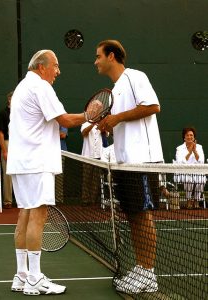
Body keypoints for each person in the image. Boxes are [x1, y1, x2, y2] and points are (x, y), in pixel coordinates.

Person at [7, 49, 90, 296]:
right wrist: (92, 115)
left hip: (22, 164)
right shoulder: (41, 87)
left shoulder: (22, 87)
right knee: (38, 217)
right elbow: (64, 120)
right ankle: (34, 279)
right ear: (42, 67)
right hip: (37, 163)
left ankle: (21, 276)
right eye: (55, 65)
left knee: (25, 214)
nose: (58, 71)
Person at [95, 40, 163, 294]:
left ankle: (148, 273)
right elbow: (124, 122)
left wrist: (117, 118)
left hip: (142, 160)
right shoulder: (115, 90)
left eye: (98, 56)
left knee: (142, 214)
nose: (95, 61)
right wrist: (109, 125)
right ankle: (141, 268)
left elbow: (153, 107)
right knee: (133, 215)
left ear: (111, 56)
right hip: (125, 162)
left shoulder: (135, 77)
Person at [174, 127, 206, 209]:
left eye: (191, 135)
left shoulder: (199, 147)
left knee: (201, 180)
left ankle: (196, 201)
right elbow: (180, 163)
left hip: (197, 172)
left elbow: (201, 161)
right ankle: (188, 201)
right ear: (184, 138)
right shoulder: (179, 148)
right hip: (183, 172)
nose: (189, 137)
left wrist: (195, 151)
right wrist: (190, 151)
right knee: (190, 180)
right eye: (187, 135)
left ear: (194, 137)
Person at [0, 91, 13, 209]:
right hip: (8, 144)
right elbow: (0, 134)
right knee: (7, 174)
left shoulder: (22, 112)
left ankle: (24, 202)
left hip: (22, 145)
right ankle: (8, 201)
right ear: (9, 99)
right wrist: (5, 150)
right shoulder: (3, 113)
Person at [81, 122, 103, 204]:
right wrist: (93, 124)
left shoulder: (102, 122)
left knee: (96, 180)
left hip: (98, 156)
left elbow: (107, 133)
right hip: (87, 156)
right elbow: (84, 133)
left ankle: (93, 200)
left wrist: (101, 126)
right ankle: (85, 200)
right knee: (86, 179)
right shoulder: (85, 123)